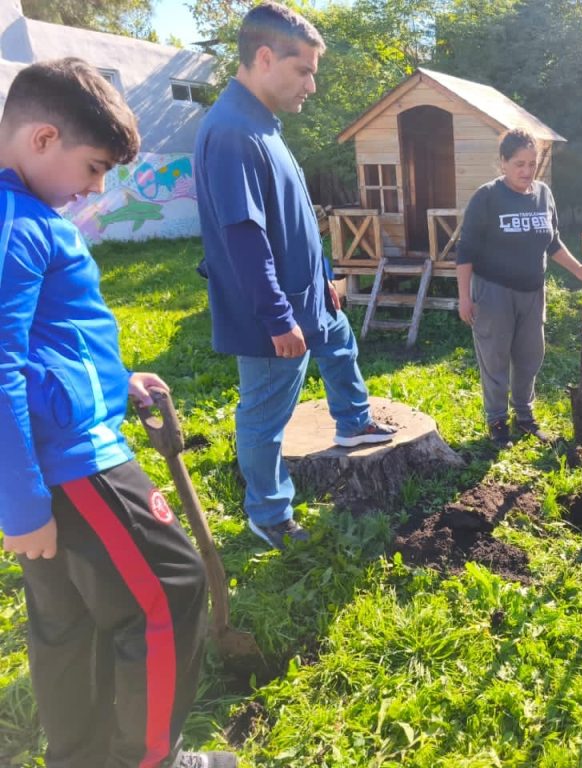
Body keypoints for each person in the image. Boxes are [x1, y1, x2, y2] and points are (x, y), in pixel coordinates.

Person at [0, 59, 235, 768]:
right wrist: (22, 506)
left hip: (51, 455)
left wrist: (115, 378)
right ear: (43, 138)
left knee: (68, 619)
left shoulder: (22, 214)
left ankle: (80, 758)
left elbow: (45, 338)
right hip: (74, 462)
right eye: (95, 167)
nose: (97, 189)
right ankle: (149, 759)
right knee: (171, 591)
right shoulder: (17, 225)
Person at [195, 3, 396, 550]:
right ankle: (268, 513)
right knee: (265, 416)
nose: (312, 84)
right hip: (274, 314)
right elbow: (243, 237)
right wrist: (278, 318)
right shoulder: (233, 132)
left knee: (341, 345)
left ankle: (352, 421)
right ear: (264, 57)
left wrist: (325, 274)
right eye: (303, 70)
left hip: (310, 295)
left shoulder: (264, 125)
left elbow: (299, 216)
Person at [456, 128, 582, 447]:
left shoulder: (543, 194)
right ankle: (497, 420)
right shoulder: (487, 197)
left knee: (530, 355)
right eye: (519, 164)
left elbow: (552, 242)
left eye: (532, 164)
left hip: (532, 292)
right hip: (493, 291)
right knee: (495, 357)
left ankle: (524, 416)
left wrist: (579, 270)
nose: (527, 171)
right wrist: (464, 297)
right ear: (503, 162)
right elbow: (465, 251)